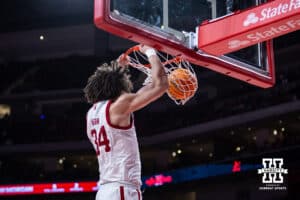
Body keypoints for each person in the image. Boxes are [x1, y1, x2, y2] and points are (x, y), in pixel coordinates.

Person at [84, 45, 168, 200]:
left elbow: (111, 85)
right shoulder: (118, 106)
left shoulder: (92, 114)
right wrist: (150, 52)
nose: (126, 86)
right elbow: (160, 85)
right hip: (122, 190)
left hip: (104, 191)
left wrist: (118, 68)